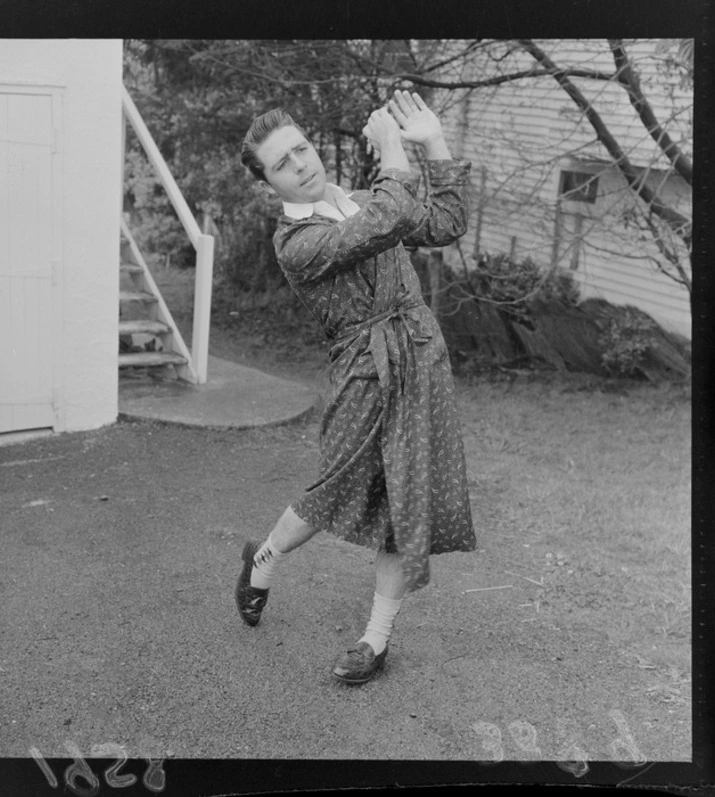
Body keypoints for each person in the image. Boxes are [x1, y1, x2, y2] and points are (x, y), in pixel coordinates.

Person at [236, 90, 477, 685]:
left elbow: (446, 223)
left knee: (404, 501)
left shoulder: (368, 199)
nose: (300, 164)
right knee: (333, 489)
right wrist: (393, 153)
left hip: (420, 358)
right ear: (271, 183)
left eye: (301, 148)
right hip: (363, 371)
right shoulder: (296, 245)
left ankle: (375, 640)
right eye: (282, 163)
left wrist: (434, 143)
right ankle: (262, 560)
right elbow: (385, 222)